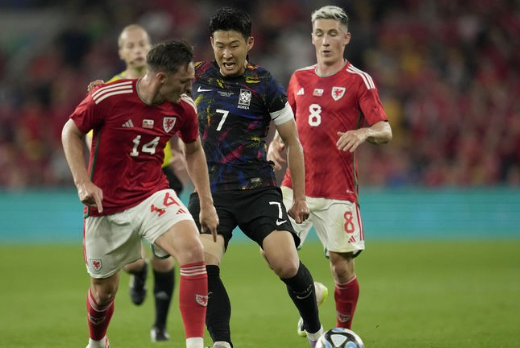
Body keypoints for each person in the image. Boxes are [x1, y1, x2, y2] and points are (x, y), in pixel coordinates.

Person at [62, 40, 218, 348]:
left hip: (152, 194)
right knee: (104, 292)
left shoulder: (184, 108)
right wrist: (83, 182)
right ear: (161, 78)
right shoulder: (108, 96)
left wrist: (207, 203)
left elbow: (194, 150)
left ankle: (195, 344)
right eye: (184, 81)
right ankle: (97, 342)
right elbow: (71, 131)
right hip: (106, 206)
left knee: (193, 251)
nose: (188, 88)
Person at [189, 7, 323, 348]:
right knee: (204, 263)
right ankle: (222, 343)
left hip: (257, 190)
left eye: (234, 44)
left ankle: (315, 332)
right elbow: (151, 84)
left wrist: (301, 198)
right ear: (212, 43)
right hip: (212, 191)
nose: (226, 53)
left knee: (286, 263)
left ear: (249, 43)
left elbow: (293, 141)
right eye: (220, 45)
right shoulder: (196, 74)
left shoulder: (265, 84)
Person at [267, 5, 393, 336]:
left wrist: (363, 132)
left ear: (346, 38)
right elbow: (287, 123)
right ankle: (314, 293)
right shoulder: (298, 79)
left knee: (341, 267)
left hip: (338, 190)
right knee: (276, 255)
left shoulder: (359, 81)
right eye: (320, 34)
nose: (325, 41)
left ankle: (340, 333)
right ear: (312, 37)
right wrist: (276, 143)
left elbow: (385, 130)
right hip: (296, 187)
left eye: (332, 34)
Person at [86, 24, 181, 342]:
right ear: (122, 52)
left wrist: (181, 155)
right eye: (132, 45)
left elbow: (178, 123)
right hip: (122, 184)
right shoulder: (109, 88)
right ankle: (137, 274)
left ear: (151, 48)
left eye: (143, 43)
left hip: (161, 177)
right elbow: (90, 137)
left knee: (164, 259)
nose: (138, 49)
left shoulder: (166, 81)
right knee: (133, 264)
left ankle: (160, 325)